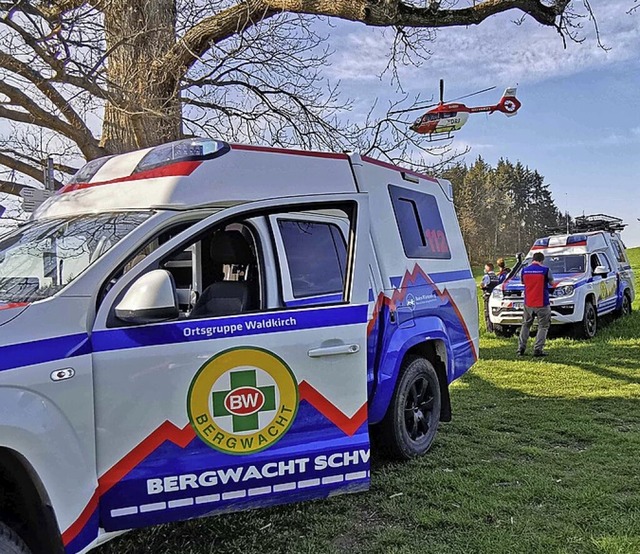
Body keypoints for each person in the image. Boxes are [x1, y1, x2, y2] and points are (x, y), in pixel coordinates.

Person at [518, 252, 555, 357]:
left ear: (532, 259)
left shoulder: (524, 270)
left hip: (528, 302)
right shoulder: (545, 270)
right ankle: (538, 349)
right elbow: (552, 283)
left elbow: (523, 283)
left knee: (525, 325)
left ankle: (521, 348)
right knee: (543, 326)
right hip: (542, 302)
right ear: (542, 260)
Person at [480, 262, 499, 332]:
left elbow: (481, 285)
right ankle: (496, 328)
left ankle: (489, 329)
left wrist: (483, 287)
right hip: (494, 297)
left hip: (487, 296)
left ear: (488, 268)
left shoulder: (486, 276)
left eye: (485, 268)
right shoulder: (496, 276)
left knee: (487, 313)